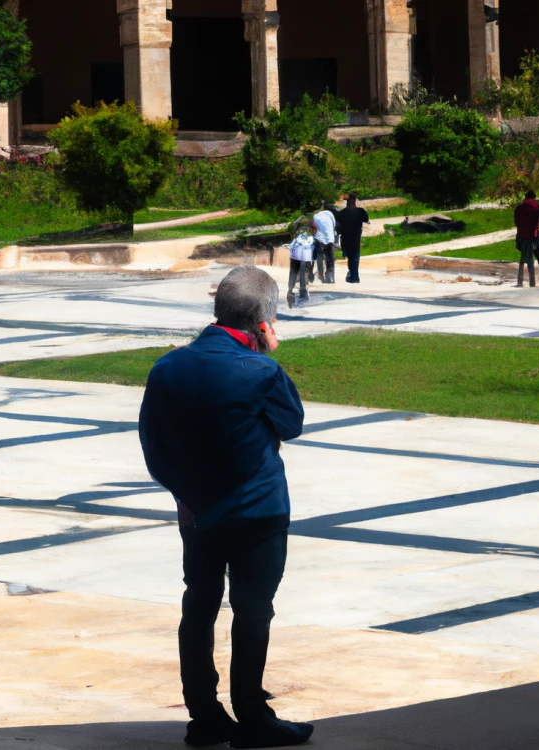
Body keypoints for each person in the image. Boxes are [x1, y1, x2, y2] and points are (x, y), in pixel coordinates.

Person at [139, 266, 313, 750]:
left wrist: (182, 496)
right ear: (264, 319)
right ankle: (253, 717)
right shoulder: (261, 371)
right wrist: (266, 355)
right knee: (252, 613)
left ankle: (204, 716)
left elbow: (153, 444)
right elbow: (292, 424)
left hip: (198, 514)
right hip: (257, 513)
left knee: (198, 608)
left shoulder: (167, 367)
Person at [514, 190, 539, 287]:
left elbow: (516, 222)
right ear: (534, 197)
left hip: (522, 237)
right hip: (534, 236)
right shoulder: (537, 207)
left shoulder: (518, 208)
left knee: (525, 260)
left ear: (525, 197)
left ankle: (524, 282)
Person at [338, 193, 370, 284]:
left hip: (348, 238)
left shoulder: (343, 213)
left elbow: (338, 225)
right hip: (352, 238)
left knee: (352, 256)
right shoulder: (359, 211)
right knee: (353, 257)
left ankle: (354, 275)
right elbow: (367, 219)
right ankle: (353, 275)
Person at [286, 227, 315, 308]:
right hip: (304, 257)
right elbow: (313, 256)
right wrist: (311, 273)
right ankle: (303, 293)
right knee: (303, 275)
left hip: (294, 257)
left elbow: (291, 248)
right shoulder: (312, 239)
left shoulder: (295, 240)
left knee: (293, 273)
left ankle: (290, 291)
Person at [312, 206, 337, 284]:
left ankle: (321, 276)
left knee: (320, 257)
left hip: (320, 240)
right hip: (330, 240)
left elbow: (314, 229)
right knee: (330, 257)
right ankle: (331, 277)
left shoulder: (316, 217)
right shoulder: (330, 218)